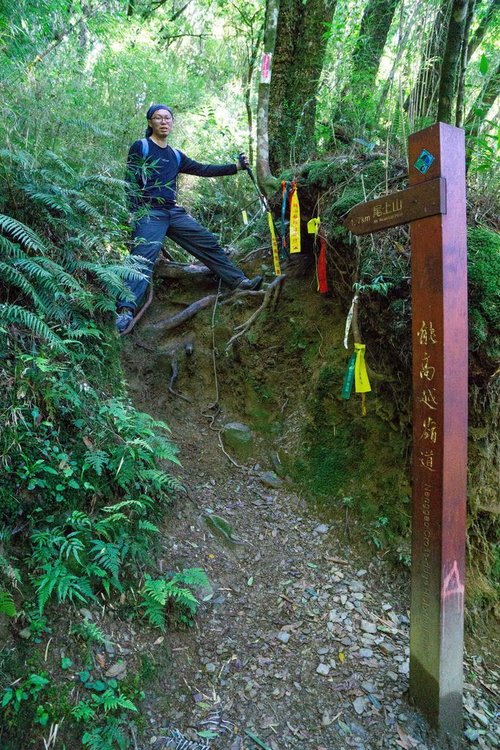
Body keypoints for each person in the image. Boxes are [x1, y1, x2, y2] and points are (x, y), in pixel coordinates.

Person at [116, 103, 263, 333]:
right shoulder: (141, 147)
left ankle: (238, 282)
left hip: (172, 211)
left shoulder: (175, 154)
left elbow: (202, 169)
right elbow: (130, 181)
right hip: (149, 211)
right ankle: (125, 311)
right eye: (158, 118)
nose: (164, 122)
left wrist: (235, 167)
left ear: (172, 123)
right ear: (150, 122)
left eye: (167, 118)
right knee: (142, 259)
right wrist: (133, 212)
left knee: (206, 241)